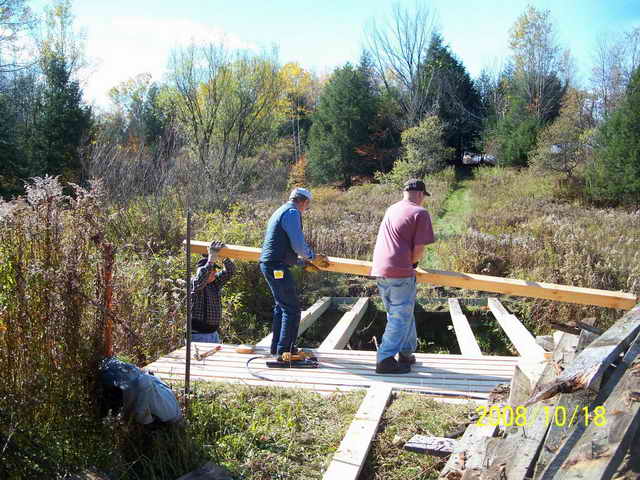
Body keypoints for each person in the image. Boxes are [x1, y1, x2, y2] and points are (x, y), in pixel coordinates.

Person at [371, 179, 435, 374]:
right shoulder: (420, 213)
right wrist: (413, 265)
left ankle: (406, 354)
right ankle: (385, 359)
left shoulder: (392, 209)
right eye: (424, 196)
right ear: (420, 194)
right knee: (400, 317)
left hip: (380, 270)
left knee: (401, 313)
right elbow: (418, 250)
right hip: (400, 271)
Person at [259, 187, 328, 359]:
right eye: (307, 206)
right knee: (292, 309)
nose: (306, 209)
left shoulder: (280, 210)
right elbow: (297, 245)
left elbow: (280, 245)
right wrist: (312, 257)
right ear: (304, 202)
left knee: (282, 307)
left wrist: (301, 262)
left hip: (272, 264)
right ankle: (285, 351)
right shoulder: (292, 213)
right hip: (276, 267)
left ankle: (277, 349)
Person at [190, 240, 236, 343]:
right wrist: (210, 260)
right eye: (212, 269)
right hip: (198, 335)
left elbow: (231, 271)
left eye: (215, 269)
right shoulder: (194, 283)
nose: (215, 272)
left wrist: (222, 256)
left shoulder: (214, 283)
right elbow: (200, 279)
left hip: (213, 334)